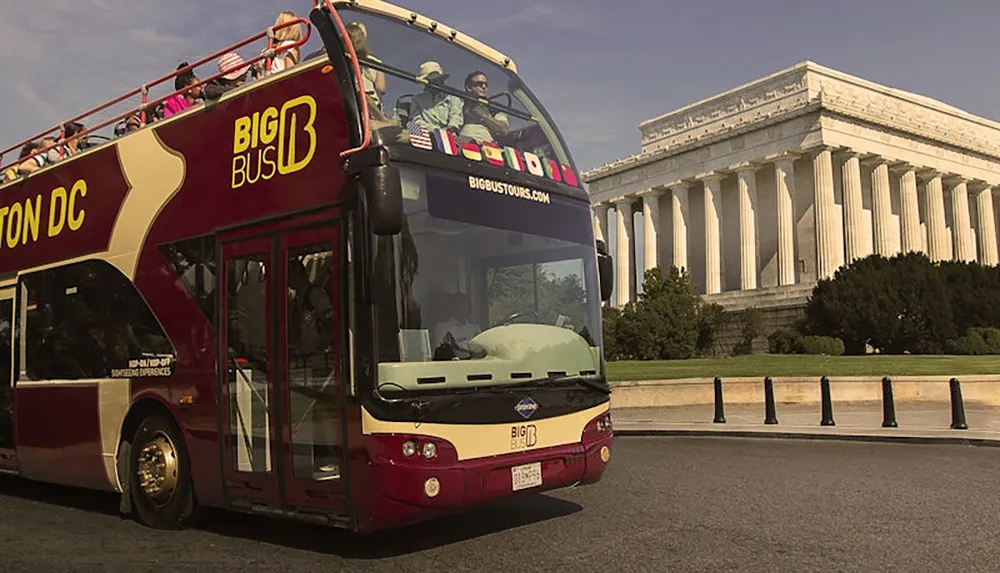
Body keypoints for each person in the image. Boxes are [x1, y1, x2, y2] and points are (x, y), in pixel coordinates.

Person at [407, 61, 463, 132]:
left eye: (437, 79)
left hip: (450, 136)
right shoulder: (417, 99)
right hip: (427, 136)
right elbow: (416, 120)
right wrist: (436, 131)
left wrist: (449, 129)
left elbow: (456, 117)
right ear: (425, 82)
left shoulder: (453, 97)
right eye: (431, 80)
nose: (436, 82)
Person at [345, 21, 386, 114]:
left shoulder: (342, 58)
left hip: (351, 105)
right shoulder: (376, 62)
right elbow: (381, 88)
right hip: (369, 109)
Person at [459, 71, 509, 143]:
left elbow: (503, 130)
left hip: (488, 147)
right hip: (462, 144)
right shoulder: (460, 102)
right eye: (479, 84)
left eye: (486, 84)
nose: (484, 87)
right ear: (469, 87)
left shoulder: (494, 107)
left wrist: (483, 115)